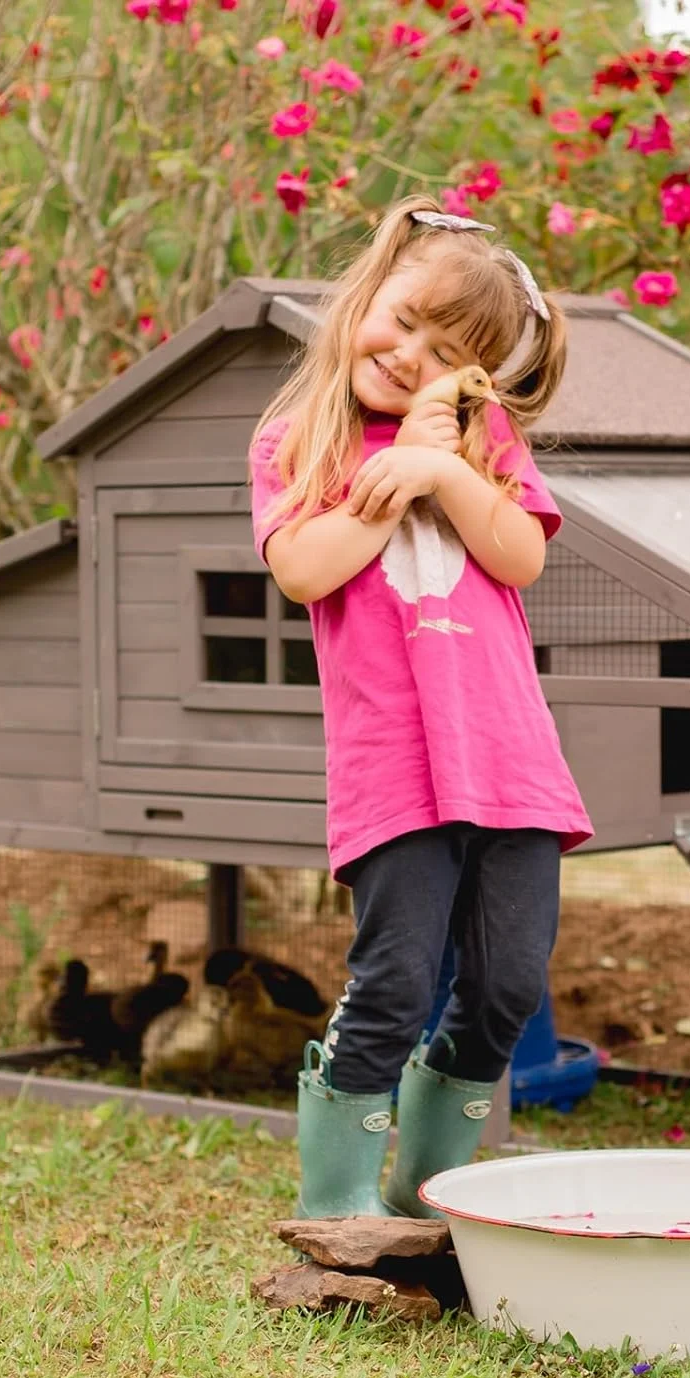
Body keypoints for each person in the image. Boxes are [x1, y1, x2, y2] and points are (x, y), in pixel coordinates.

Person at [249, 196, 592, 1219]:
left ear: (473, 376)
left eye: (443, 350)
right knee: (397, 982)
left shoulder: (484, 450)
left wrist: (442, 463)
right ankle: (338, 1202)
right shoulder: (298, 443)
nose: (407, 355)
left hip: (513, 765)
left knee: (505, 989)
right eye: (402, 320)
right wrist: (386, 485)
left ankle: (422, 1186)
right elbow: (307, 572)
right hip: (396, 768)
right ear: (366, 296)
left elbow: (518, 553)